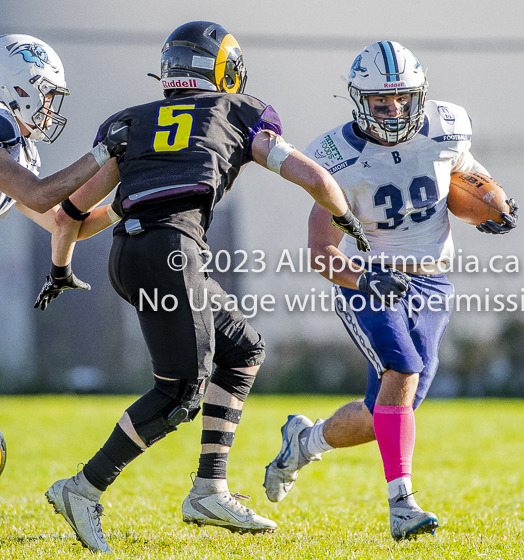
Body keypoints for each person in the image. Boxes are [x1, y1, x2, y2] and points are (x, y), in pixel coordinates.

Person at [44, 21, 370, 554]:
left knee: (242, 348)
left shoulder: (132, 122)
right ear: (224, 70)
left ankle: (209, 488)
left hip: (131, 256)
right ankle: (83, 488)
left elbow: (70, 216)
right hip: (172, 254)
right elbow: (316, 179)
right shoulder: (239, 114)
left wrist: (60, 270)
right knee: (179, 393)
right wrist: (349, 222)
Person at [263, 41, 518, 540]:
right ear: (360, 100)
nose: (395, 110)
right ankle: (402, 502)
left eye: (403, 99)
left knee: (389, 410)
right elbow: (321, 253)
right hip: (370, 279)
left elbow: (472, 177)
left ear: (420, 95)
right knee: (402, 368)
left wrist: (496, 203)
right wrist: (364, 278)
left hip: (433, 280)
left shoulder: (447, 127)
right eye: (382, 101)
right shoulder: (336, 156)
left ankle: (305, 441)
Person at [0, 33, 128, 270]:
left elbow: (63, 224)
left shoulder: (15, 149)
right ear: (17, 87)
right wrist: (104, 151)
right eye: (47, 94)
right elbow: (38, 197)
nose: (49, 106)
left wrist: (118, 209)